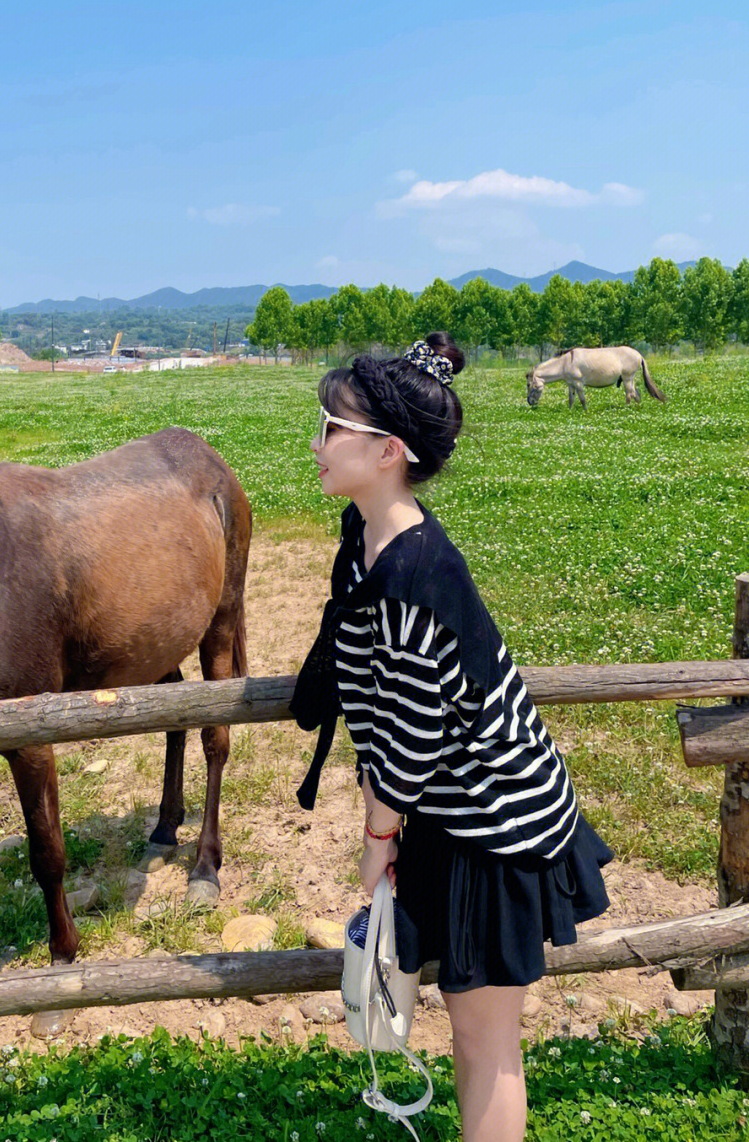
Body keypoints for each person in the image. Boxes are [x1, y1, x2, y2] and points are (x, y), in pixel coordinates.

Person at [293, 333, 612, 1142]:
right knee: (468, 1028)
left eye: (333, 426)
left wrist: (376, 837)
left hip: (494, 829)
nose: (318, 441)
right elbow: (381, 700)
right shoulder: (370, 539)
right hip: (447, 813)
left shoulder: (419, 571)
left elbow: (415, 729)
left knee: (485, 1037)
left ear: (388, 451)